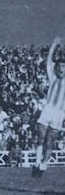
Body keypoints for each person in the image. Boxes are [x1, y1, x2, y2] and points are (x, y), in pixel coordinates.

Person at [32, 37, 65, 178]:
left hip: (59, 112)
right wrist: (53, 45)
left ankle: (43, 165)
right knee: (40, 137)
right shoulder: (53, 77)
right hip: (48, 109)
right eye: (59, 67)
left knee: (50, 141)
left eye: (63, 67)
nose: (61, 68)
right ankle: (37, 162)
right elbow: (48, 62)